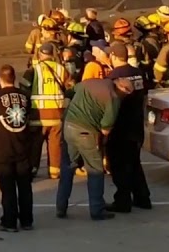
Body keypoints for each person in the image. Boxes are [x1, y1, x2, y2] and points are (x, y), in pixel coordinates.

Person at [54, 76, 132, 221]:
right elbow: (105, 129)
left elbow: (71, 92)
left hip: (68, 126)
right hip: (86, 133)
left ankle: (60, 207)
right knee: (95, 170)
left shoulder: (91, 82)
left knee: (68, 167)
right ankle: (97, 209)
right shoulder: (114, 99)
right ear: (123, 91)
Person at [0, 64, 34, 233]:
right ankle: (27, 221)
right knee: (25, 188)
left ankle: (9, 222)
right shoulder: (25, 97)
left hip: (3, 149)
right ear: (14, 78)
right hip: (22, 147)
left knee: (8, 189)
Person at [104, 43, 152, 213]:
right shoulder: (138, 73)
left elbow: (110, 104)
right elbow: (145, 96)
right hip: (136, 125)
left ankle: (122, 201)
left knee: (119, 165)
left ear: (113, 57)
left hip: (120, 128)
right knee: (134, 162)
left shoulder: (112, 78)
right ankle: (142, 197)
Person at [25, 42, 71, 179]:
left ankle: (32, 169)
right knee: (56, 143)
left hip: (38, 114)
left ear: (40, 54)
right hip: (57, 113)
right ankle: (55, 171)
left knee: (35, 144)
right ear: (53, 54)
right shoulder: (61, 69)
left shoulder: (33, 70)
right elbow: (70, 89)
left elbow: (24, 89)